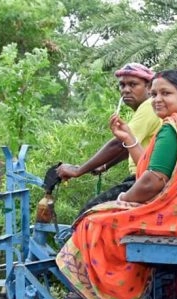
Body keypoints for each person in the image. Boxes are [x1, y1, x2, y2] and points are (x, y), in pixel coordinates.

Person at [56, 69, 177, 299]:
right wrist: (129, 138)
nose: (158, 99)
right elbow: (148, 170)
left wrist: (124, 199)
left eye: (166, 93)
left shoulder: (173, 128)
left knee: (94, 222)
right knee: (102, 215)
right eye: (154, 94)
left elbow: (152, 181)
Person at [57, 63, 162, 213]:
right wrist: (105, 166)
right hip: (142, 178)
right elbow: (130, 146)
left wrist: (78, 171)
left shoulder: (148, 106)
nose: (126, 90)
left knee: (88, 213)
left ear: (148, 87)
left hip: (143, 180)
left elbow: (119, 144)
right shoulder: (146, 109)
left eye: (133, 84)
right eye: (122, 85)